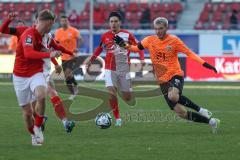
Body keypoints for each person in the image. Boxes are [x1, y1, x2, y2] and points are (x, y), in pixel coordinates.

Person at [114, 17, 220, 133]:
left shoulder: (174, 41)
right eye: (156, 29)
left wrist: (205, 64)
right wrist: (123, 44)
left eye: (161, 28)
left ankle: (201, 110)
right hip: (162, 80)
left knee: (173, 96)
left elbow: (189, 53)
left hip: (175, 74)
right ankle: (212, 122)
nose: (158, 31)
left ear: (166, 28)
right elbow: (135, 48)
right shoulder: (149, 40)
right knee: (182, 113)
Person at [0, 12, 76, 135]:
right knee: (33, 106)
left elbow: (52, 48)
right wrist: (8, 20)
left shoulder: (47, 35)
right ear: (38, 22)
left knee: (50, 93)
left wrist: (63, 58)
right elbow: (3, 30)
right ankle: (38, 124)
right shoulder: (25, 31)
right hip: (26, 70)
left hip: (41, 70)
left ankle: (64, 121)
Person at [12, 9, 64, 146]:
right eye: (52, 24)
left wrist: (53, 53)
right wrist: (50, 54)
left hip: (35, 72)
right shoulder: (28, 34)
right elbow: (29, 54)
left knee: (41, 96)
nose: (52, 27)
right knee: (27, 113)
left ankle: (38, 126)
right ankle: (33, 134)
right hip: (20, 76)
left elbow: (44, 49)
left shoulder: (40, 35)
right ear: (47, 23)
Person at [85, 11, 145, 126]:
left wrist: (142, 60)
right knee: (112, 92)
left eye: (116, 21)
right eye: (111, 21)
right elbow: (99, 49)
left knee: (127, 97)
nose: (113, 24)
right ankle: (117, 118)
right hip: (109, 68)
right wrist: (91, 59)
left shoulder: (128, 35)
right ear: (109, 23)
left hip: (123, 68)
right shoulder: (105, 36)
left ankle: (126, 90)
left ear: (120, 22)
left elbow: (139, 47)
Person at [55, 15, 83, 100]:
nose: (64, 22)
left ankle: (73, 93)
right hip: (63, 56)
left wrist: (77, 48)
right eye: (62, 21)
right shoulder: (58, 32)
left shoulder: (73, 31)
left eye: (65, 21)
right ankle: (75, 88)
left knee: (68, 73)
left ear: (68, 21)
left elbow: (81, 39)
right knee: (67, 76)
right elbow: (56, 43)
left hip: (72, 56)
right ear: (60, 22)